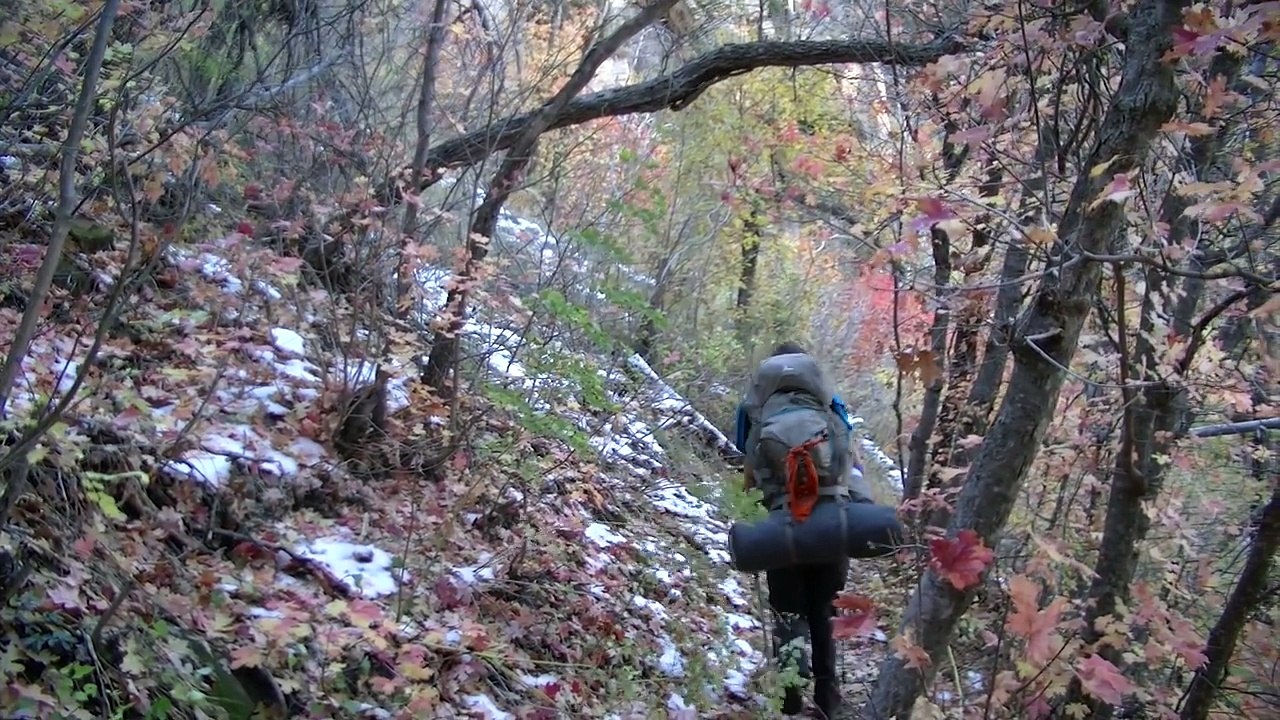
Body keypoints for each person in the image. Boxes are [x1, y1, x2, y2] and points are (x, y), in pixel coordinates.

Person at [733, 342, 870, 718]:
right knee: (824, 610)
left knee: (787, 610)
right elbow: (851, 457)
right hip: (830, 522)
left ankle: (791, 690)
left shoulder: (755, 408)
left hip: (782, 524)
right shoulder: (828, 403)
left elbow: (741, 458)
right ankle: (828, 697)